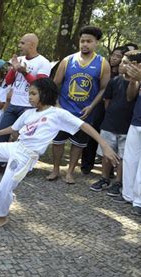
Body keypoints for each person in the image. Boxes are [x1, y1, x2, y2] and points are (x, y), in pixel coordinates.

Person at [0, 78, 119, 229]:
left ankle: (1, 216)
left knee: (4, 187)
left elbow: (84, 126)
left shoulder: (57, 114)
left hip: (26, 156)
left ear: (45, 94)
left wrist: (104, 145)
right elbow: (14, 128)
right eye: (29, 94)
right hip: (16, 146)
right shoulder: (28, 113)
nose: (30, 97)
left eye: (33, 94)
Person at [48, 26, 111, 184]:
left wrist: (92, 106)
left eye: (89, 41)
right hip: (63, 110)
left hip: (85, 113)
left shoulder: (103, 63)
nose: (85, 44)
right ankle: (55, 169)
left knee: (78, 144)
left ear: (96, 43)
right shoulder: (67, 60)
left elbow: (104, 89)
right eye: (82, 41)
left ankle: (70, 172)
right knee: (58, 142)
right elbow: (55, 84)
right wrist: (56, 104)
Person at [89, 51, 136, 197]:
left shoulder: (138, 84)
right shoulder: (114, 81)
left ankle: (118, 182)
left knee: (122, 156)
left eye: (126, 63)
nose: (121, 64)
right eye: (122, 62)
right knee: (106, 154)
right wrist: (110, 116)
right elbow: (107, 102)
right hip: (109, 123)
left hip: (127, 126)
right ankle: (104, 178)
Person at [0, 34, 51, 152]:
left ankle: (21, 164)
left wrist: (24, 72)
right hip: (13, 104)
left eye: (22, 43)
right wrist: (13, 69)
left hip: (29, 106)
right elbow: (9, 81)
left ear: (32, 45)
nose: (19, 46)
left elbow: (41, 86)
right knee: (2, 132)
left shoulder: (43, 62)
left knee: (24, 137)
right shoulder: (19, 59)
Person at [81, 46, 128, 174]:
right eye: (113, 55)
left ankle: (110, 170)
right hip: (98, 107)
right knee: (92, 134)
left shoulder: (123, 76)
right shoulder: (103, 68)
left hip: (113, 112)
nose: (114, 58)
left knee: (112, 141)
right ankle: (86, 165)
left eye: (119, 56)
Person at [120, 50, 141, 216]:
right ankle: (129, 194)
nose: (124, 66)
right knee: (130, 161)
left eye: (126, 63)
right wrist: (132, 82)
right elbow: (130, 98)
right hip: (136, 122)